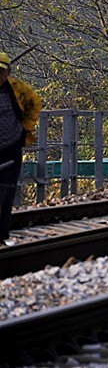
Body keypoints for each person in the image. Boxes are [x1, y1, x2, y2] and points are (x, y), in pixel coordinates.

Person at [0, 52, 41, 242]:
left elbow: (35, 103)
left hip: (10, 148)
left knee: (6, 192)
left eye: (2, 71)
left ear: (8, 71)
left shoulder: (18, 90)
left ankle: (2, 233)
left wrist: (26, 127)